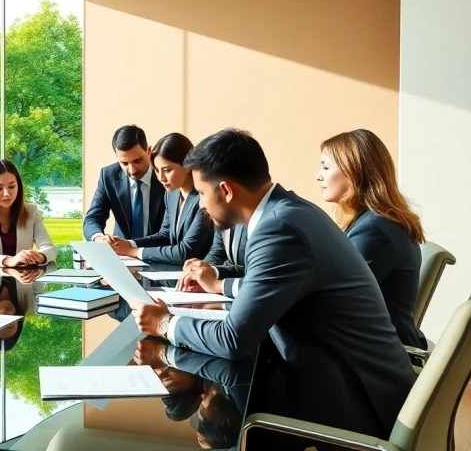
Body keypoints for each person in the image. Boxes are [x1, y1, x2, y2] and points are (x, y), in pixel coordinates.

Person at [132, 128, 416, 439]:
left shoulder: (278, 229)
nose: (199, 205)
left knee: (230, 430)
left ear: (225, 190)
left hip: (356, 404)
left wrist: (165, 323)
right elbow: (262, 294)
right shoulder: (290, 211)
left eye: (201, 193)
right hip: (340, 376)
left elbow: (233, 340)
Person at [317, 129, 426, 349]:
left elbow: (337, 300)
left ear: (354, 172)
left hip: (376, 355)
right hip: (376, 346)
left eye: (326, 167)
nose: (319, 176)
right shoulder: (377, 222)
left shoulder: (374, 232)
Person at [109, 133, 213, 265]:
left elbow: (185, 252)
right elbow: (164, 236)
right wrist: (129, 244)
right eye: (157, 170)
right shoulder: (172, 194)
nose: (161, 178)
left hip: (201, 271)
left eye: (167, 170)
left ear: (187, 165)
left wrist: (133, 251)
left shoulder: (203, 199)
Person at [0, 159, 56, 267]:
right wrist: (9, 260)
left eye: (12, 187)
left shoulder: (31, 211)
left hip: (24, 276)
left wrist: (39, 256)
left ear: (18, 186)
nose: (7, 193)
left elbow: (49, 248)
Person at [83, 125, 166, 243]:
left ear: (148, 151)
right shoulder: (108, 176)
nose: (132, 170)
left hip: (157, 251)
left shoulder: (166, 176)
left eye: (137, 161)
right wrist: (99, 239)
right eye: (124, 163)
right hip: (120, 252)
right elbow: (92, 218)